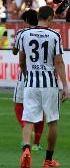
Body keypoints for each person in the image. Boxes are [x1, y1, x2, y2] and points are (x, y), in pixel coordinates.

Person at [19, 6, 69, 168]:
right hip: (49, 84)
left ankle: (26, 149)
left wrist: (27, 75)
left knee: (28, 120)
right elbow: (59, 62)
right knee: (52, 121)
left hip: (31, 83)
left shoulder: (24, 34)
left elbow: (21, 60)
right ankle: (48, 160)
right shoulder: (55, 35)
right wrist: (65, 85)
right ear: (50, 18)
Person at [12, 9, 44, 151]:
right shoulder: (46, 33)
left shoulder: (22, 34)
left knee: (19, 104)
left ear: (26, 21)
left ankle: (27, 129)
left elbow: (16, 53)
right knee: (40, 108)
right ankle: (37, 143)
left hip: (26, 76)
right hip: (42, 76)